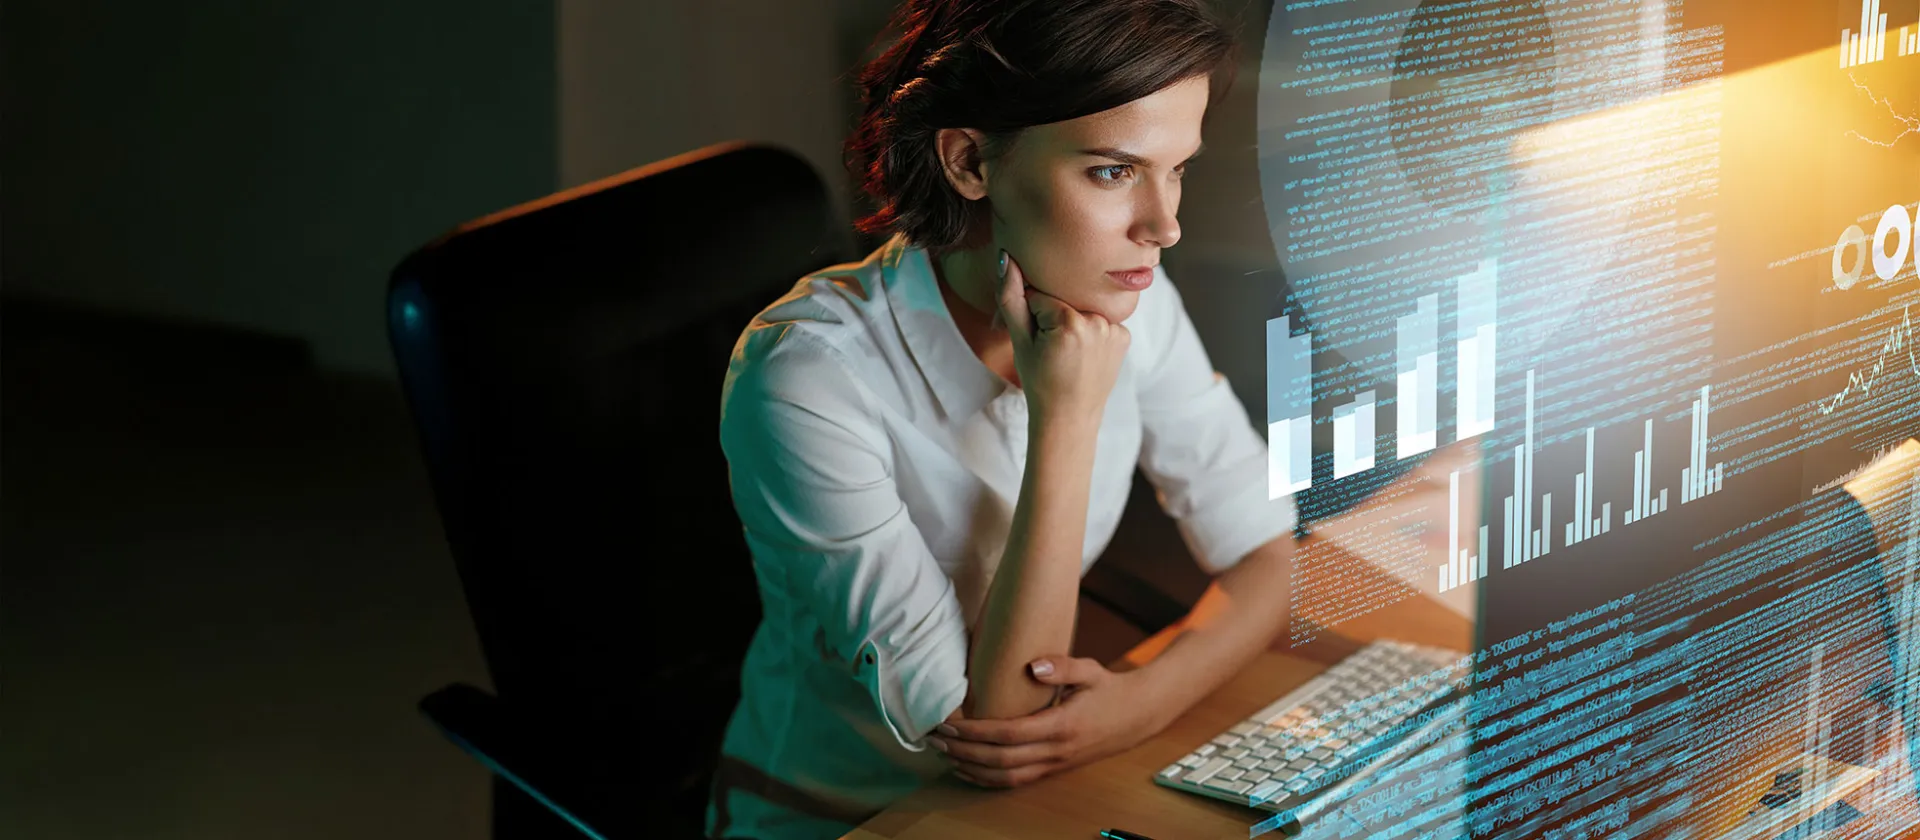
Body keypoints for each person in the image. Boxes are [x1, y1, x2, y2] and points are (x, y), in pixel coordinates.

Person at [705, 1, 1301, 837]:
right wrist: (1068, 419)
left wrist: (1139, 703)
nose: (1163, 226)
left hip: (1040, 796)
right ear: (970, 162)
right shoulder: (808, 380)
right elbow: (999, 725)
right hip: (855, 818)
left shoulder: (1129, 293)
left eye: (1178, 169)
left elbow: (1270, 552)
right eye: (1112, 171)